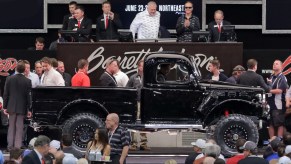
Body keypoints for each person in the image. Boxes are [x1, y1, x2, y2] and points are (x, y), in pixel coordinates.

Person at [3, 61, 32, 151]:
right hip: (22, 107)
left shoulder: (9, 79)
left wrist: (5, 107)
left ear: (16, 69)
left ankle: (10, 146)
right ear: (24, 70)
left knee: (11, 127)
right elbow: (29, 97)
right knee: (19, 128)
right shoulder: (27, 81)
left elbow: (5, 94)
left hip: (11, 107)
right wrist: (29, 109)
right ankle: (17, 147)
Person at [126, 60, 150, 151]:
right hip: (136, 103)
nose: (143, 68)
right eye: (142, 66)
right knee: (135, 123)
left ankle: (144, 143)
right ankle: (133, 144)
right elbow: (127, 89)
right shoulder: (133, 77)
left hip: (146, 103)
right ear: (138, 67)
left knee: (144, 123)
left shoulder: (148, 78)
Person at [267, 60, 288, 139]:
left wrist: (268, 90)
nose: (274, 65)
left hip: (278, 105)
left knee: (279, 124)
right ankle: (272, 141)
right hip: (270, 104)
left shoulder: (282, 77)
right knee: (271, 124)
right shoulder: (271, 76)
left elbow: (280, 90)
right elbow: (270, 88)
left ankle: (279, 141)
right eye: (273, 63)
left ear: (281, 67)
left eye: (276, 64)